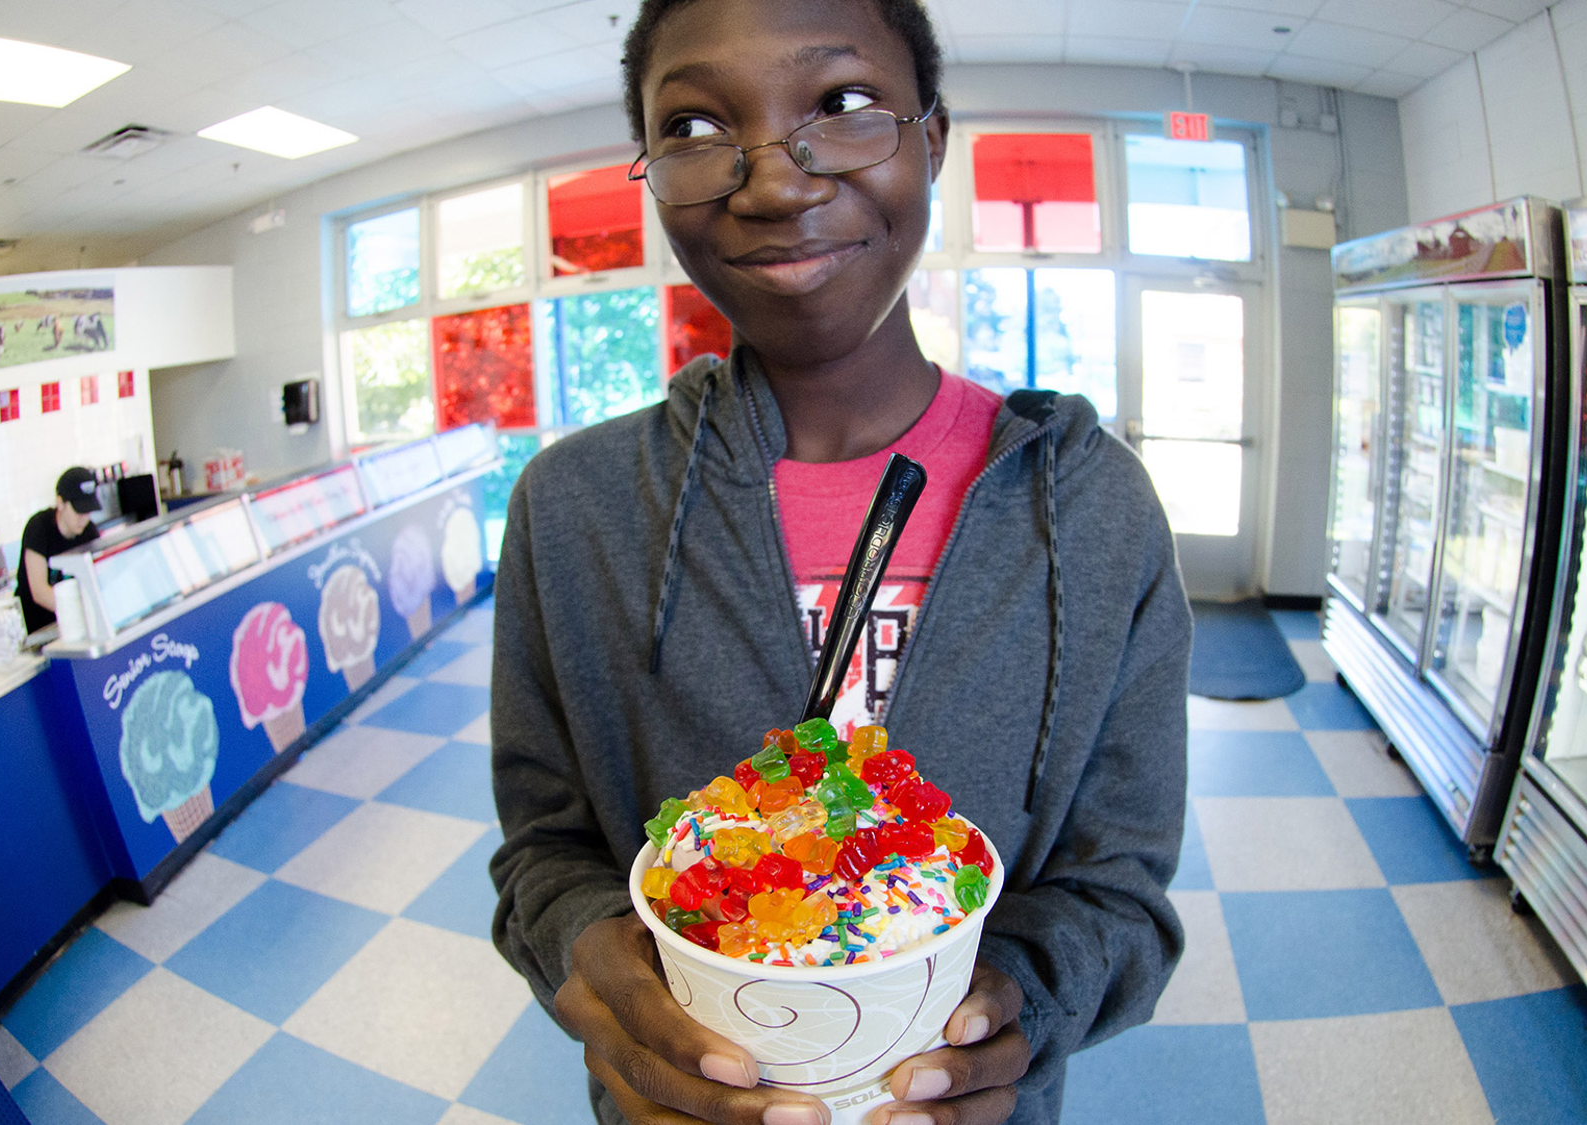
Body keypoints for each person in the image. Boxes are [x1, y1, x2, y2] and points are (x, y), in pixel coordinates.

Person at [488, 2, 1191, 1123]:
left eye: (845, 104)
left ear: (934, 141)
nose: (770, 184)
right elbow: (543, 850)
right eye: (694, 125)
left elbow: (1121, 893)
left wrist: (1021, 1009)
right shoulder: (573, 512)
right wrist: (585, 955)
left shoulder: (1095, 512)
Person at [16, 467, 103, 634]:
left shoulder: (90, 532)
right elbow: (40, 592)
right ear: (60, 503)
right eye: (79, 511)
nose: (83, 519)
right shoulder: (39, 528)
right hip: (37, 631)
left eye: (88, 511)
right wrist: (81, 614)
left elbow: (96, 580)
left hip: (73, 628)